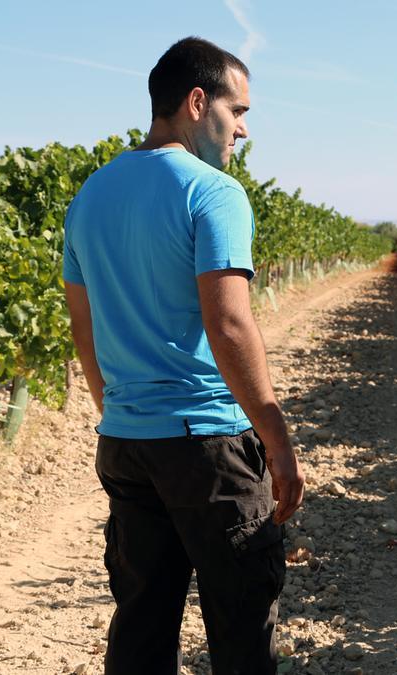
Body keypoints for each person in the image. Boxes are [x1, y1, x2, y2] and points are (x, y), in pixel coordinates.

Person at [62, 36, 304, 675]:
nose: (244, 130)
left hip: (127, 443)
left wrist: (120, 413)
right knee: (242, 624)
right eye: (239, 111)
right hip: (207, 446)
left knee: (141, 624)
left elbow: (83, 331)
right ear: (199, 102)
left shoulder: (89, 197)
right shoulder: (214, 193)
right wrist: (277, 441)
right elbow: (228, 324)